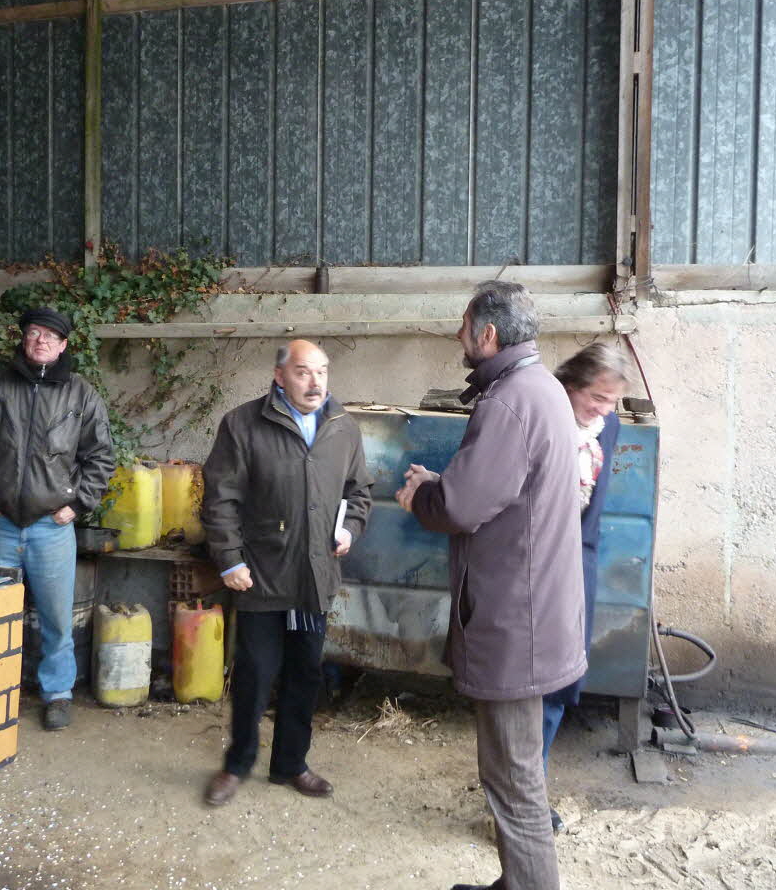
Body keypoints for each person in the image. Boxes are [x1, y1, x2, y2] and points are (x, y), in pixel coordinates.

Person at [396, 281, 583, 890]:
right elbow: (501, 490)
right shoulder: (541, 388)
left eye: (463, 326)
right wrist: (444, 481)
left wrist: (422, 495)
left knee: (514, 782)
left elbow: (461, 508)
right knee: (513, 772)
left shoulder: (507, 402)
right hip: (536, 610)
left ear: (488, 336)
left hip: (515, 621)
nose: (458, 336)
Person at [200, 339, 372, 808]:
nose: (315, 382)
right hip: (260, 575)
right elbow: (220, 500)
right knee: (255, 673)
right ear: (279, 376)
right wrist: (230, 560)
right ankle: (236, 765)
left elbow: (359, 493)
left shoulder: (342, 427)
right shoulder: (242, 425)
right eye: (302, 372)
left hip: (314, 578)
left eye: (321, 371)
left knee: (305, 674)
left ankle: (291, 764)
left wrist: (350, 530)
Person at [0, 306, 114, 731]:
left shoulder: (82, 395)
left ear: (64, 345)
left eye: (50, 336)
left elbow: (101, 457)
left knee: (57, 619)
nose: (40, 340)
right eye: (34, 333)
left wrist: (78, 504)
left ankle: (57, 693)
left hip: (51, 528)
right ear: (23, 338)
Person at [540, 342, 631, 832]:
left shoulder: (608, 427)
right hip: (533, 563)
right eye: (596, 397)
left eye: (612, 401)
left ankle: (530, 790)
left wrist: (581, 562)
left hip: (578, 559)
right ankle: (518, 802)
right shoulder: (543, 417)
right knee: (526, 682)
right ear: (570, 385)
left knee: (560, 678)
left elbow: (591, 505)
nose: (603, 409)